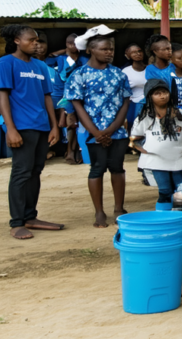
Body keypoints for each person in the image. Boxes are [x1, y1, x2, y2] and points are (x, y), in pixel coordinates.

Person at [0, 25, 63, 240]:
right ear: (16, 40)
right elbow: (2, 96)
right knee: (21, 173)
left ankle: (30, 216)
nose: (36, 43)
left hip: (42, 126)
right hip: (22, 127)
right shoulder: (5, 63)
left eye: (38, 40)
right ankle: (16, 222)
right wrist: (10, 129)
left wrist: (54, 127)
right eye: (31, 40)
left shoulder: (41, 66)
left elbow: (47, 98)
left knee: (35, 172)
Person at [65, 28, 132, 229]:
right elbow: (77, 106)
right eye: (104, 49)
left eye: (111, 49)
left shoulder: (119, 74)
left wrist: (111, 130)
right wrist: (96, 133)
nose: (109, 52)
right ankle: (99, 212)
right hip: (92, 133)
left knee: (117, 168)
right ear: (91, 50)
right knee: (97, 169)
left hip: (117, 132)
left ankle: (119, 208)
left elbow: (125, 103)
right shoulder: (79, 75)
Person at [130, 79, 182, 210]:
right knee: (164, 190)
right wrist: (149, 152)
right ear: (149, 97)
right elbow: (134, 139)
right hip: (156, 161)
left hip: (179, 159)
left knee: (180, 190)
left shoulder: (181, 115)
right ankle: (164, 218)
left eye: (165, 92)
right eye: (157, 93)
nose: (162, 96)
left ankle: (179, 217)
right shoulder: (144, 117)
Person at [52, 33, 84, 165]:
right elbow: (49, 57)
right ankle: (70, 151)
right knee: (69, 124)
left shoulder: (85, 59)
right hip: (65, 96)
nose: (74, 46)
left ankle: (78, 150)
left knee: (81, 124)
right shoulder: (61, 60)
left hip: (82, 96)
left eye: (77, 44)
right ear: (66, 45)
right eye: (71, 44)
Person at [122, 43, 148, 131]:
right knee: (133, 127)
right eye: (133, 52)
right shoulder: (125, 71)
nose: (138, 53)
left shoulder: (150, 69)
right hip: (132, 104)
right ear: (128, 55)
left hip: (149, 103)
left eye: (139, 51)